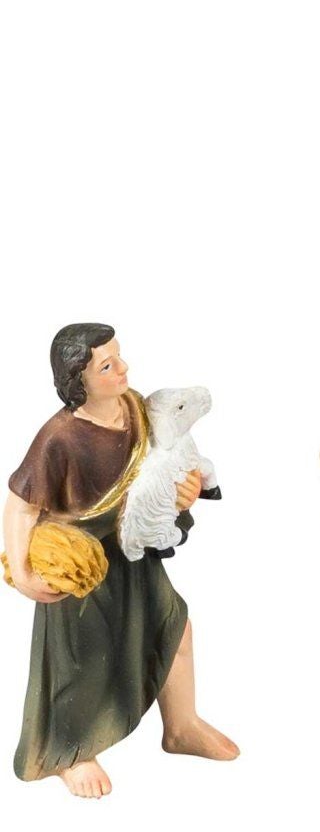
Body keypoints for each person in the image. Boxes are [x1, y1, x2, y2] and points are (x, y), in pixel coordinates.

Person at [5, 322, 238, 797]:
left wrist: (187, 489)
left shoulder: (136, 409)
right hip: (82, 564)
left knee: (175, 628)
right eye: (107, 366)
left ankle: (181, 726)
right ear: (78, 381)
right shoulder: (59, 437)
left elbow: (166, 463)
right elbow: (21, 506)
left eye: (119, 356)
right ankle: (71, 751)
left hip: (133, 554)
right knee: (81, 661)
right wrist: (22, 572)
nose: (123, 368)